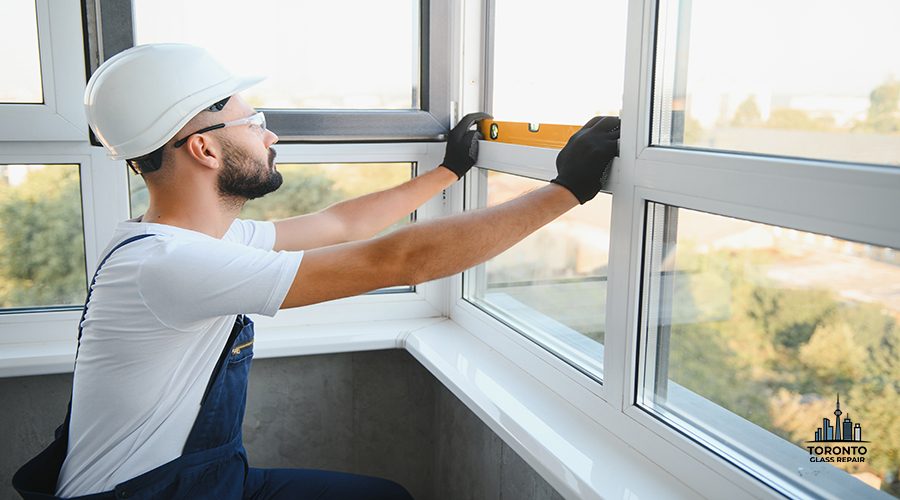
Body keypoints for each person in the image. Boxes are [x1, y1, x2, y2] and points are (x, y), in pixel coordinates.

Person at [12, 44, 620, 500]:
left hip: (208, 480)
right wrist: (566, 191)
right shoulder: (173, 264)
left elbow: (338, 225)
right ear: (203, 147)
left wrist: (448, 172)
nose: (270, 133)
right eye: (253, 121)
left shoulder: (192, 241)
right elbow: (393, 260)